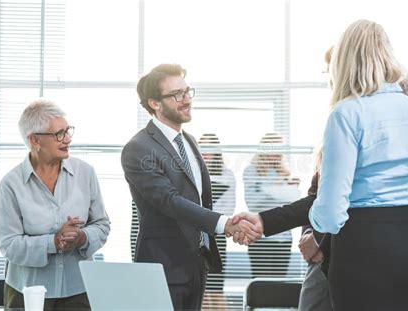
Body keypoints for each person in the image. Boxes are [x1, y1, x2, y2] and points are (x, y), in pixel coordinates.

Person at [233, 39, 408, 309]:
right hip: (357, 259)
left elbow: (331, 208)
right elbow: (318, 195)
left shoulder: (350, 117)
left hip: (361, 256)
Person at [307, 19, 408, 310]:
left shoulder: (346, 114)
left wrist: (316, 216)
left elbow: (331, 214)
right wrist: (403, 212)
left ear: (344, 60)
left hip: (361, 251)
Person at [120, 64, 261, 310]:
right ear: (154, 103)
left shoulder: (189, 141)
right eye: (177, 95)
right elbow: (169, 200)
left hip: (197, 265)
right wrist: (225, 223)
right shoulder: (139, 148)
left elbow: (199, 200)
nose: (186, 100)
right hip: (164, 268)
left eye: (187, 92)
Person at [0, 99, 110, 310]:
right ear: (34, 141)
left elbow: (102, 225)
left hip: (78, 288)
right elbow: (9, 244)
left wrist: (82, 237)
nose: (67, 139)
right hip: (27, 290)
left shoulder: (86, 173)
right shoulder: (11, 184)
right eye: (59, 134)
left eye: (68, 131)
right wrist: (54, 242)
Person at [243, 133, 301, 278]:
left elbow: (290, 206)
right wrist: (275, 188)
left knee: (277, 287)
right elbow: (252, 202)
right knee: (261, 286)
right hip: (260, 237)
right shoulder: (252, 171)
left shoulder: (285, 173)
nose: (276, 152)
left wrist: (291, 189)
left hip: (283, 237)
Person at [198, 133, 236, 306]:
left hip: (217, 234)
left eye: (210, 148)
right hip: (197, 235)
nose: (206, 152)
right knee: (202, 290)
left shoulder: (227, 175)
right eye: (203, 147)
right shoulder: (192, 173)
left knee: (216, 289)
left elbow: (228, 209)